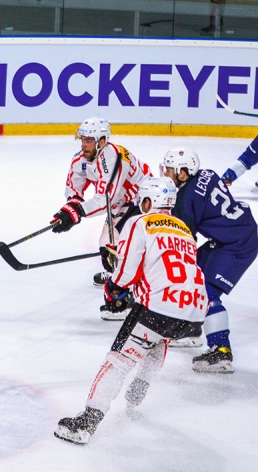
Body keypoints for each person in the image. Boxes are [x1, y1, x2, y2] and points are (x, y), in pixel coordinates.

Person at [54, 177, 207, 445]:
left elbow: (126, 275)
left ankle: (87, 423)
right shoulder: (185, 230)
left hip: (160, 306)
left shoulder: (140, 222)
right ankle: (139, 389)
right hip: (194, 312)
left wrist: (114, 284)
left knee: (119, 360)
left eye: (142, 201)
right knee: (160, 337)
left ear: (149, 201)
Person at [161, 147, 258, 372]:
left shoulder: (184, 201)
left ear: (183, 173)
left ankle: (221, 351)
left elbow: (186, 243)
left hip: (237, 243)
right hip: (233, 234)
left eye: (169, 169)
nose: (166, 173)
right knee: (193, 279)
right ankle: (191, 329)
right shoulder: (208, 173)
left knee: (206, 291)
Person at [51, 117, 152, 320]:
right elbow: (74, 188)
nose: (84, 145)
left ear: (102, 141)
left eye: (89, 140)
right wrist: (68, 209)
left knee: (113, 245)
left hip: (141, 200)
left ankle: (123, 298)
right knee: (107, 245)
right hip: (119, 203)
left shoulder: (114, 158)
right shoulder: (81, 158)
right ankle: (118, 275)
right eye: (83, 139)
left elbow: (106, 198)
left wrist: (77, 213)